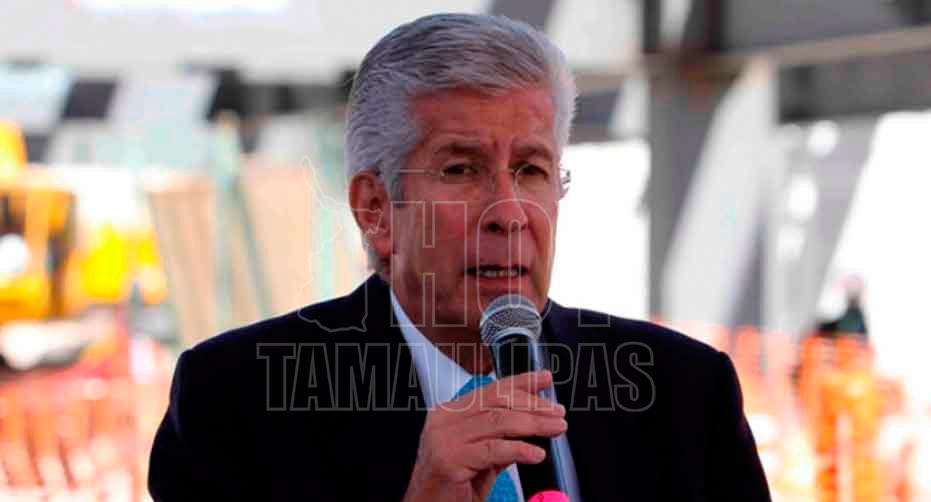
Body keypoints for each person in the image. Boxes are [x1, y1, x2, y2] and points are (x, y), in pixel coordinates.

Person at [148, 13, 770, 501]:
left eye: (531, 170)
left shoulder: (684, 394)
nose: (509, 212)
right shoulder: (234, 401)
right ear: (375, 209)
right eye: (461, 169)